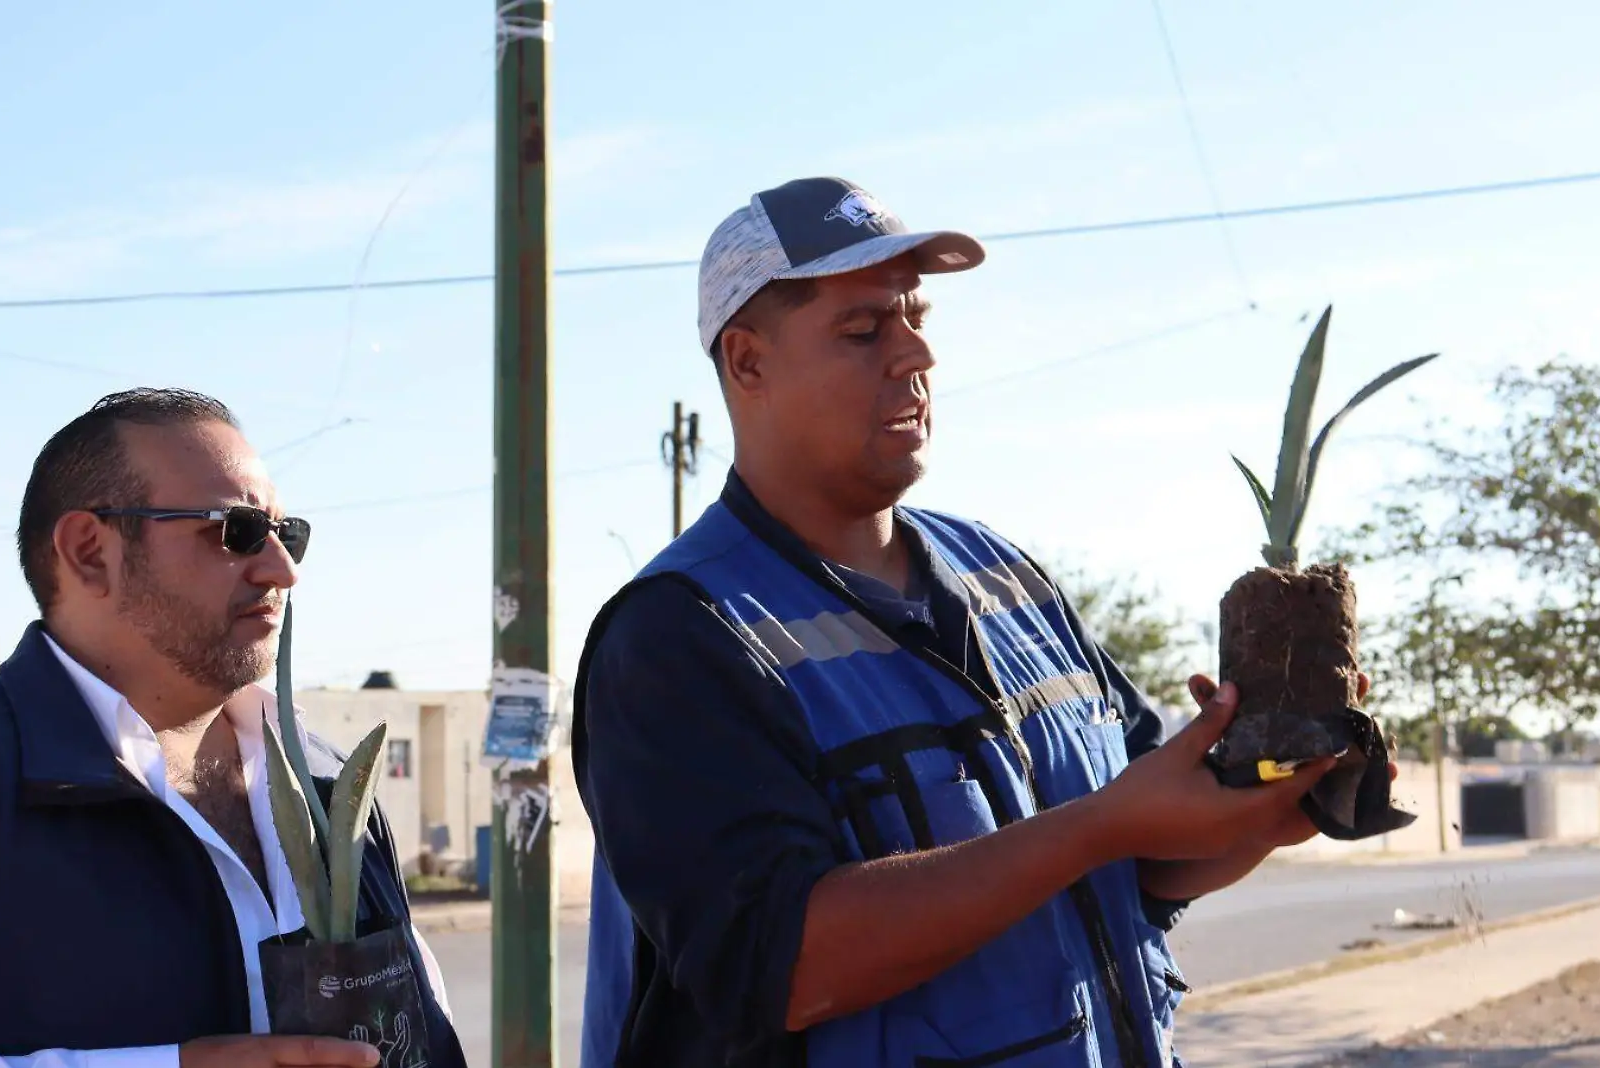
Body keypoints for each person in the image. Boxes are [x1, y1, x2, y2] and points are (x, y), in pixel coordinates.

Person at [572, 177, 1365, 1068]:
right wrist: (1101, 825)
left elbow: (1140, 864)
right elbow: (781, 964)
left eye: (918, 318)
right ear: (748, 363)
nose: (915, 355)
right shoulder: (680, 637)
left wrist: (1268, 806)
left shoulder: (1004, 575)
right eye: (864, 331)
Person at [0, 389, 466, 1068]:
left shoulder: (332, 787)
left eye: (287, 534)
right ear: (89, 552)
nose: (281, 569)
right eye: (236, 530)